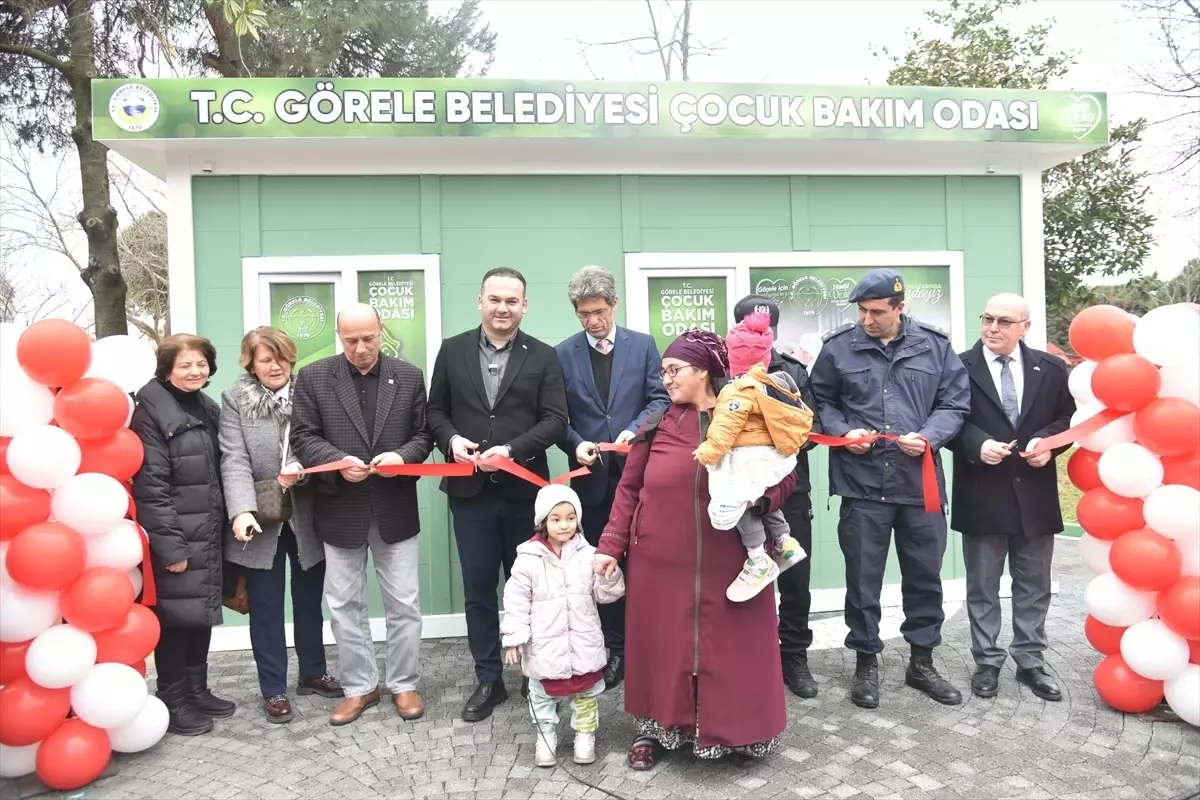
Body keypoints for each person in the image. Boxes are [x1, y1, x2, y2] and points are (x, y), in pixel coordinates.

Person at [594, 329, 797, 770]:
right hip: (659, 561)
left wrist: (760, 503)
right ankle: (654, 730)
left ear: (703, 371)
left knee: (734, 647)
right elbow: (628, 490)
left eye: (674, 370)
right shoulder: (656, 423)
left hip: (734, 561)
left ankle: (740, 732)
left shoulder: (746, 412)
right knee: (660, 648)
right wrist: (611, 545)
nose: (666, 379)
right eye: (663, 371)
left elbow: (785, 475)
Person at [808, 268, 971, 709]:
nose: (867, 320)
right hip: (862, 487)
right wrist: (844, 432)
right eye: (862, 311)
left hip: (919, 485)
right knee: (863, 581)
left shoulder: (934, 346)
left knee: (925, 577)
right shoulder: (838, 347)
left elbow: (955, 403)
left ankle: (922, 662)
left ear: (900, 307)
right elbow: (820, 401)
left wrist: (930, 436)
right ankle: (866, 663)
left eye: (877, 312)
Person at [427, 267, 569, 722]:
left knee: (529, 587)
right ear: (480, 301)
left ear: (524, 305)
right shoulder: (452, 350)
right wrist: (452, 441)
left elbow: (556, 420)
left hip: (524, 492)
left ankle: (533, 674)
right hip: (470, 493)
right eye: (495, 299)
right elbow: (435, 411)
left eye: (511, 301)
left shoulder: (544, 355)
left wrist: (511, 451)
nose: (502, 308)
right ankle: (489, 678)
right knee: (478, 589)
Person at [290, 304, 433, 726]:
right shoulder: (314, 377)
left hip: (394, 506)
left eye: (368, 338)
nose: (361, 348)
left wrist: (401, 457)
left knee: (404, 602)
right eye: (351, 340)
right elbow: (303, 436)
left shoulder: (408, 376)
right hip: (339, 507)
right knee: (344, 605)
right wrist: (337, 462)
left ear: (380, 331)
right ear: (339, 337)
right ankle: (359, 686)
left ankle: (404, 683)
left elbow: (424, 434)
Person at [946, 294, 1075, 701]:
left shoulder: (1051, 368)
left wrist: (1048, 444)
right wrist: (977, 444)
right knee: (983, 586)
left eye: (1004, 321)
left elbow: (1067, 418)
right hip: (981, 492)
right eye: (987, 318)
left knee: (1034, 584)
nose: (992, 328)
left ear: (1025, 327)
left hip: (1035, 493)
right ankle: (987, 661)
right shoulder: (957, 367)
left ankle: (1030, 660)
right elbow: (947, 418)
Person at [219, 326, 343, 723]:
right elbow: (234, 459)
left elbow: (323, 443)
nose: (276, 366)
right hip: (261, 517)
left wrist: (302, 470)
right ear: (251, 364)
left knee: (309, 601)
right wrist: (241, 510)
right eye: (266, 359)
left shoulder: (310, 390)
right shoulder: (235, 399)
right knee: (266, 607)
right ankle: (273, 688)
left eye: (283, 358)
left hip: (307, 514)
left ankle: (313, 672)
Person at [555, 265, 668, 687]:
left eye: (599, 311)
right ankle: (614, 648)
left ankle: (648, 645)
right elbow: (556, 416)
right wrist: (574, 443)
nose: (592, 321)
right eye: (583, 314)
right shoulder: (562, 353)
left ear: (614, 304)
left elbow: (660, 399)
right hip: (592, 480)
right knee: (604, 567)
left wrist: (635, 430)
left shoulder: (643, 345)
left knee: (646, 565)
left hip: (641, 478)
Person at [131, 334, 235, 736]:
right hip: (178, 533)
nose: (195, 371)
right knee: (175, 619)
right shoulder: (152, 411)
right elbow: (151, 487)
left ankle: (196, 690)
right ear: (167, 369)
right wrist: (170, 546)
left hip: (206, 530)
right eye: (185, 365)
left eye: (201, 364)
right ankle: (173, 700)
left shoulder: (205, 406)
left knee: (200, 613)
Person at [732, 294, 823, 697]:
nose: (759, 335)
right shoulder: (721, 371)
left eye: (767, 328)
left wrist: (772, 438)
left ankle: (794, 655)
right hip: (738, 496)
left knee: (796, 579)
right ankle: (750, 657)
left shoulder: (793, 372)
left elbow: (814, 430)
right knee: (743, 577)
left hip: (789, 490)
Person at [501, 485, 626, 768]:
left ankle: (585, 735)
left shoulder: (589, 554)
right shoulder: (528, 559)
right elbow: (516, 599)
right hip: (545, 644)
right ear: (543, 521)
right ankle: (545, 734)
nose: (564, 525)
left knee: (586, 693)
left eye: (570, 518)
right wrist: (514, 636)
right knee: (541, 693)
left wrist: (609, 575)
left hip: (583, 641)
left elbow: (606, 595)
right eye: (556, 519)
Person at [693, 310, 811, 602]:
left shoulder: (738, 389)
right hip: (775, 456)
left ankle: (758, 559)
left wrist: (709, 451)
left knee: (738, 504)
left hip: (748, 457)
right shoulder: (774, 382)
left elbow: (725, 426)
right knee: (759, 497)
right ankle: (785, 541)